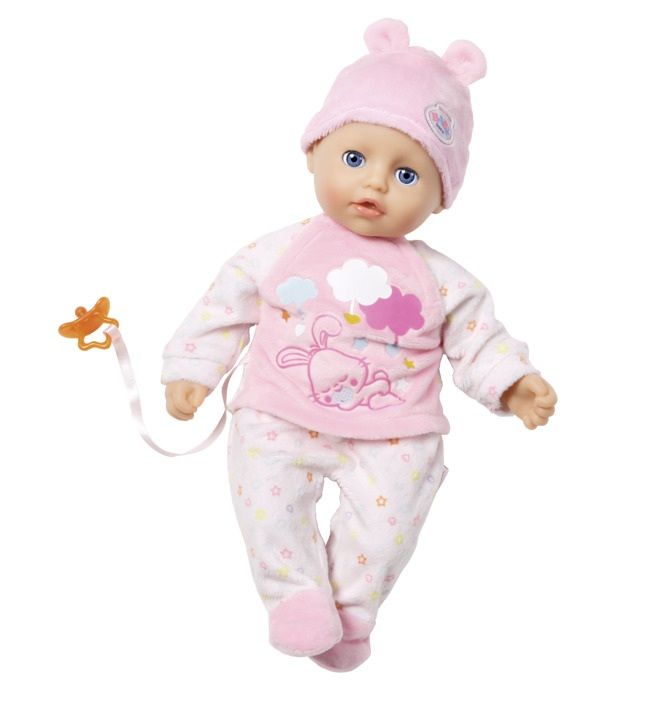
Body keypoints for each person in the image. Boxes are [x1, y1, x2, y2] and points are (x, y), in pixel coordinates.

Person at [161, 18, 557, 672]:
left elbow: (477, 336)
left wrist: (513, 384)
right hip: (280, 411)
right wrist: (194, 370)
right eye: (354, 159)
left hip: (395, 430)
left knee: (394, 514)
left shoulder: (440, 278)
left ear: (440, 196)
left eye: (406, 173)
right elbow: (224, 305)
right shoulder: (279, 250)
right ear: (313, 154)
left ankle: (353, 608)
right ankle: (294, 595)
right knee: (266, 497)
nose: (374, 183)